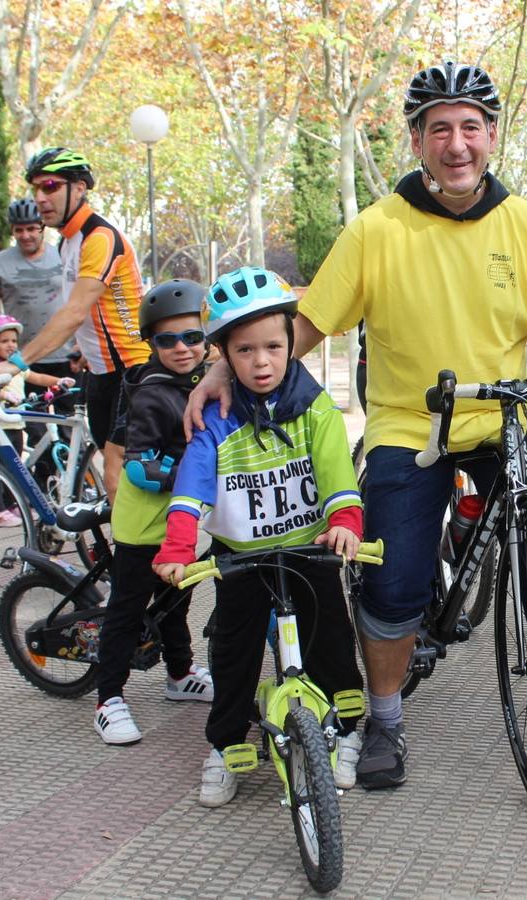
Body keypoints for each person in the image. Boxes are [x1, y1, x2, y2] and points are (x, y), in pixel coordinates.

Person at [185, 62, 527, 791]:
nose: (457, 143)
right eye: (440, 128)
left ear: (491, 136)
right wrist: (223, 367)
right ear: (416, 140)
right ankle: (383, 720)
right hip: (410, 420)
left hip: (502, 413)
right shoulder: (376, 227)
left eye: (470, 126)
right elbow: (304, 324)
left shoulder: (525, 223)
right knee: (393, 580)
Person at [153, 267, 365, 805]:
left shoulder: (315, 409)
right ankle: (225, 746)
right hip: (239, 559)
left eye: (273, 346)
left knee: (333, 645)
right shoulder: (217, 419)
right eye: (244, 351)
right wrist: (178, 547)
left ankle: (346, 729)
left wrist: (344, 523)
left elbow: (337, 474)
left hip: (310, 551)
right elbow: (190, 489)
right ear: (223, 354)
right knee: (232, 654)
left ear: (293, 341)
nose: (262, 361)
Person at [92, 279, 214, 747]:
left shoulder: (199, 380)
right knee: (127, 610)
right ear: (152, 343)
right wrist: (195, 474)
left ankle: (180, 674)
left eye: (192, 337)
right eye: (167, 340)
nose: (182, 348)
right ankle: (108, 699)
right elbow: (139, 467)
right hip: (144, 525)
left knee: (175, 604)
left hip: (181, 524)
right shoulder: (151, 391)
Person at [0, 149, 149, 501]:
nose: (41, 197)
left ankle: (138, 554)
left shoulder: (100, 237)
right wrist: (82, 348)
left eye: (50, 186)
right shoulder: (68, 242)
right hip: (103, 369)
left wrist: (15, 363)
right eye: (36, 189)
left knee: (116, 471)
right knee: (115, 469)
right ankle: (125, 548)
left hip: (133, 367)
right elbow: (93, 310)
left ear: (79, 188)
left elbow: (74, 311)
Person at [0, 314, 74, 527]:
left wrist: (59, 381)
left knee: (14, 467)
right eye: (5, 341)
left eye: (14, 341)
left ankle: (12, 504)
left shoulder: (16, 367)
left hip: (14, 425)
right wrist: (2, 395)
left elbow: (37, 378)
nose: (11, 345)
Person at [0, 199, 76, 408]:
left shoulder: (63, 255)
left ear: (43, 227)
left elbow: (80, 301)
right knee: (34, 427)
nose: (25, 236)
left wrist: (81, 346)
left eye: (32, 229)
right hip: (22, 359)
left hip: (65, 355)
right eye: (19, 230)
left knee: (69, 426)